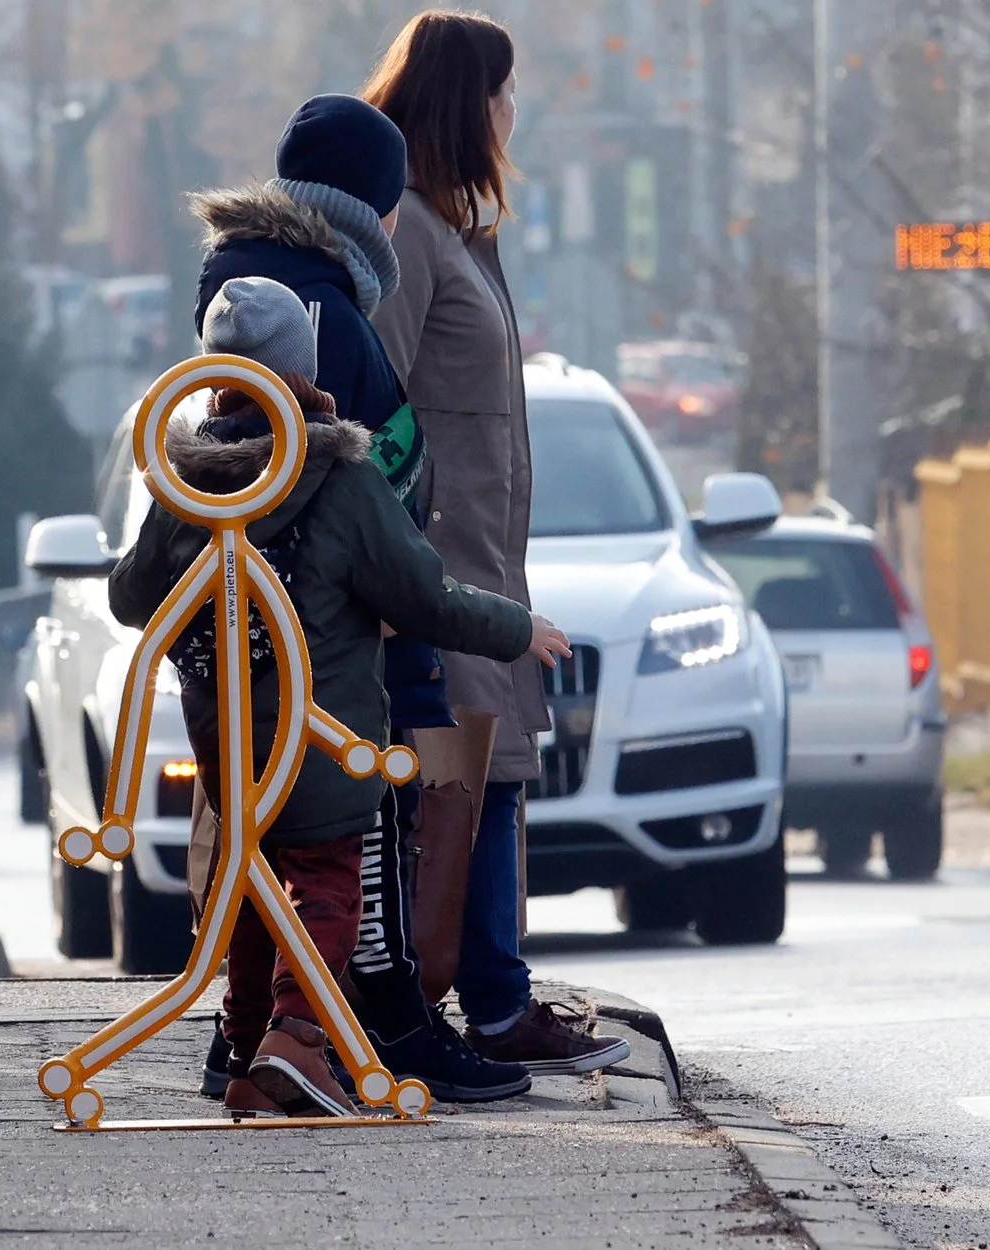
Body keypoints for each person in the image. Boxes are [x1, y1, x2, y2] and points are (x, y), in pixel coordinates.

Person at [110, 276, 571, 1115]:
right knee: (325, 882)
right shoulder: (339, 476)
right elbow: (425, 596)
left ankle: (241, 1046)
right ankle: (295, 1038)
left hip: (225, 737)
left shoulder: (188, 487)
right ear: (303, 370)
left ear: (213, 377)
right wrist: (519, 630)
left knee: (252, 880)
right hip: (321, 732)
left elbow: (131, 598)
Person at [187, 94, 529, 1100]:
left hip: (285, 642)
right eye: (385, 204)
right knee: (351, 844)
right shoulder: (318, 313)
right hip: (342, 643)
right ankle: (359, 1034)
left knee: (276, 842)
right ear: (357, 205)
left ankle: (250, 1040)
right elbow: (328, 491)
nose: (393, 223)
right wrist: (457, 613)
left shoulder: (268, 289)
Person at [365, 9, 630, 1073]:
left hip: (479, 561)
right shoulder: (410, 233)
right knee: (464, 779)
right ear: (465, 103)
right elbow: (373, 397)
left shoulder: (455, 227)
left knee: (488, 770)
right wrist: (394, 562)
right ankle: (483, 999)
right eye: (504, 92)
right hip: (433, 568)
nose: (513, 113)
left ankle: (492, 994)